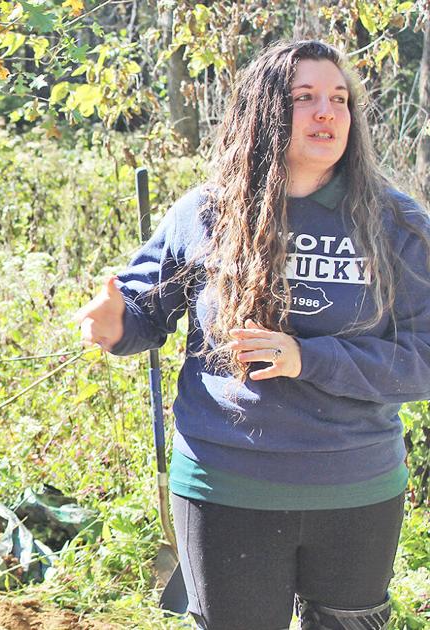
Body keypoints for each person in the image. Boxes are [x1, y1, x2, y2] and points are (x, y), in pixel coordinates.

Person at [75, 40, 429, 630]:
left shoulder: (395, 224)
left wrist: (308, 358)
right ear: (265, 110)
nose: (327, 112)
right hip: (225, 487)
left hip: (355, 490)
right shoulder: (209, 213)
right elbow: (143, 312)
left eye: (339, 99)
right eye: (304, 98)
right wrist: (116, 323)